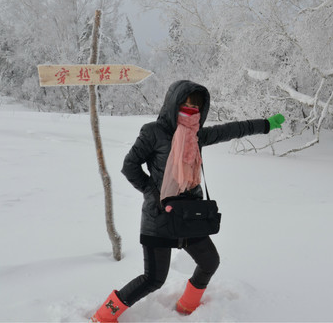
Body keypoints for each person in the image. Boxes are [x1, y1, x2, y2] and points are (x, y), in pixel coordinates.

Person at [91, 80, 285, 322]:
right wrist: (153, 193)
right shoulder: (153, 132)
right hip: (160, 216)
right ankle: (104, 315)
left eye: (197, 104)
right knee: (153, 279)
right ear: (173, 103)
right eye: (186, 102)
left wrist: (265, 124)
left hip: (188, 216)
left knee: (209, 261)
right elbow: (129, 166)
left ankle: (187, 306)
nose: (191, 107)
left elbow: (232, 129)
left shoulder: (197, 135)